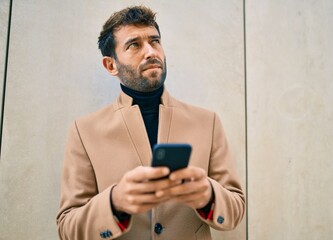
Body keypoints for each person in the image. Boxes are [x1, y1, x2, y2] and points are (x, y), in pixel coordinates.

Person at [56, 5, 245, 240]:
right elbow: (67, 228)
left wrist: (208, 195)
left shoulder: (208, 122)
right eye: (134, 44)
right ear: (110, 65)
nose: (150, 52)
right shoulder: (83, 131)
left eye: (154, 41)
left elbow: (236, 209)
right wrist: (115, 202)